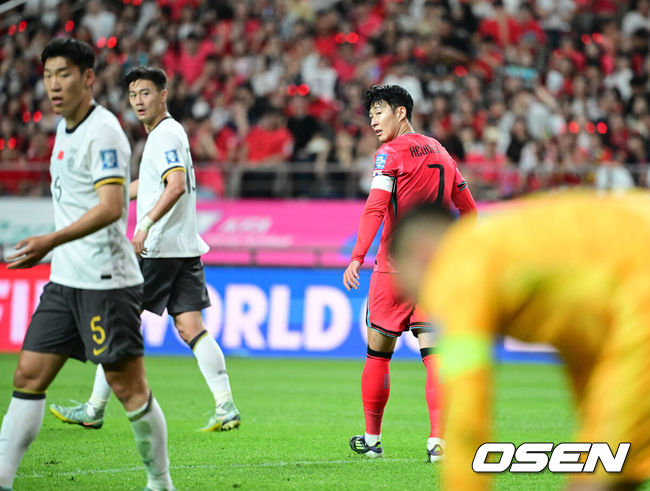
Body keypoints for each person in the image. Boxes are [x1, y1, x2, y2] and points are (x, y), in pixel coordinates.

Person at [0, 39, 173, 490]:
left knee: (128, 390)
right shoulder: (63, 127)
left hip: (106, 282)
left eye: (65, 74)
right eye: (48, 75)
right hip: (65, 280)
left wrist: (50, 242)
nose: (54, 85)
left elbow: (112, 206)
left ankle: (161, 483)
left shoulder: (104, 131)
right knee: (28, 376)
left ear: (88, 77)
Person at [390, 194, 650, 490]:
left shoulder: (458, 268)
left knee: (600, 475)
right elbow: (585, 344)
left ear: (421, 253)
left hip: (640, 295)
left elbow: (467, 406)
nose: (405, 293)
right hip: (633, 265)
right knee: (613, 464)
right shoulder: (501, 245)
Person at [49, 66, 241, 433]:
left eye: (146, 93)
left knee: (116, 323)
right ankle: (225, 405)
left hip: (159, 250)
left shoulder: (164, 136)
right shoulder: (169, 134)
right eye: (134, 95)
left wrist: (146, 223)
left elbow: (175, 185)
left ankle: (93, 408)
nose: (138, 101)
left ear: (163, 95)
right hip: (185, 250)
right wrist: (114, 192)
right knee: (191, 329)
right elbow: (155, 184)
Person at [342, 85, 477, 462]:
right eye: (370, 115)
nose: (373, 121)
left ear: (401, 112)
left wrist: (357, 255)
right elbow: (469, 210)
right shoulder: (442, 152)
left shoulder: (389, 154)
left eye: (380, 112)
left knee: (378, 353)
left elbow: (375, 208)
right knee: (435, 356)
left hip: (394, 270)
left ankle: (371, 439)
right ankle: (438, 444)